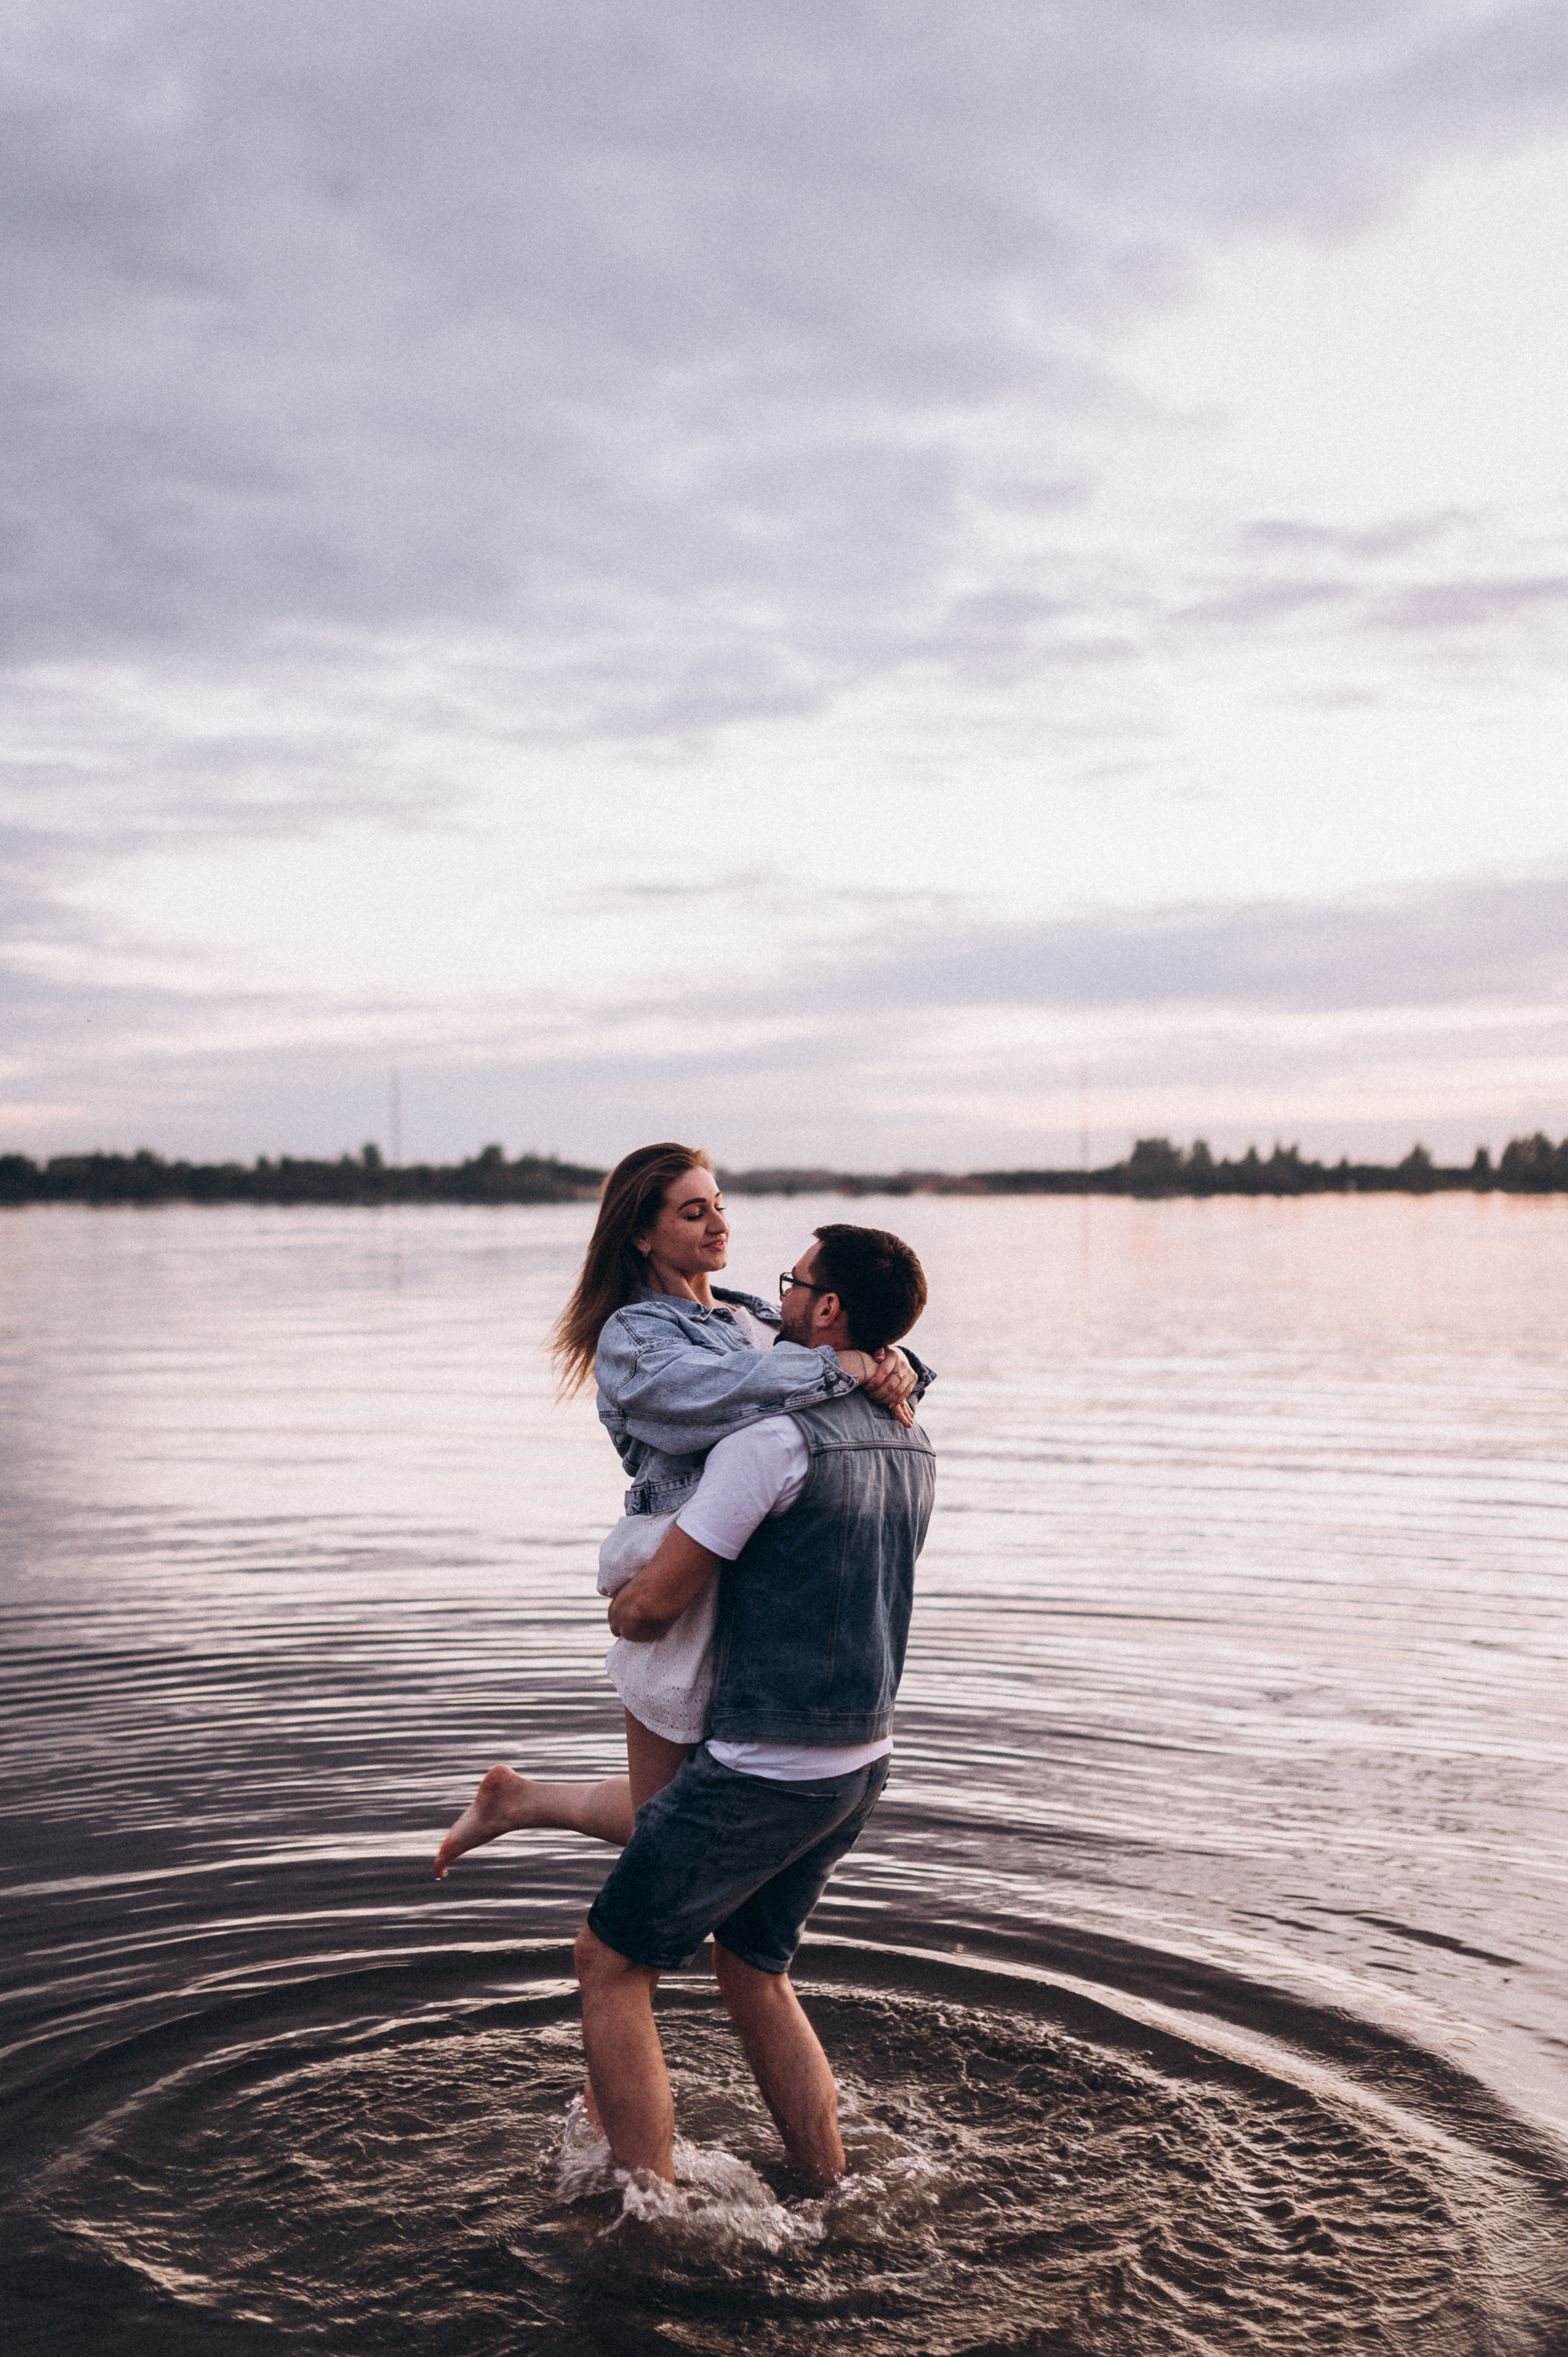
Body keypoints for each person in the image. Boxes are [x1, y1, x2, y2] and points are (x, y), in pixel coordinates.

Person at [432, 1144, 925, 1878]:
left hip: (749, 1569)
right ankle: (536, 1826)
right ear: (641, 1233)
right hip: (678, 1564)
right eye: (693, 1213)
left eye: (719, 1205)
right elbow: (718, 1394)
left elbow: (841, 1369)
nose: (717, 1224)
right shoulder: (635, 1334)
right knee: (667, 1822)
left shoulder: (751, 1315)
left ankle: (520, 1800)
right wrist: (843, 1367)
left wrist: (895, 1363)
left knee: (690, 1809)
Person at [575, 1220, 935, 2190]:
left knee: (609, 1960)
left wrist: (619, 1604)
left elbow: (655, 1605)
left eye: (794, 1282)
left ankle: (647, 2210)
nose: (777, 1299)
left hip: (764, 1761)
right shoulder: (912, 1433)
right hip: (861, 1759)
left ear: (828, 1308)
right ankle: (829, 2184)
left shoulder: (770, 1442)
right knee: (753, 1968)